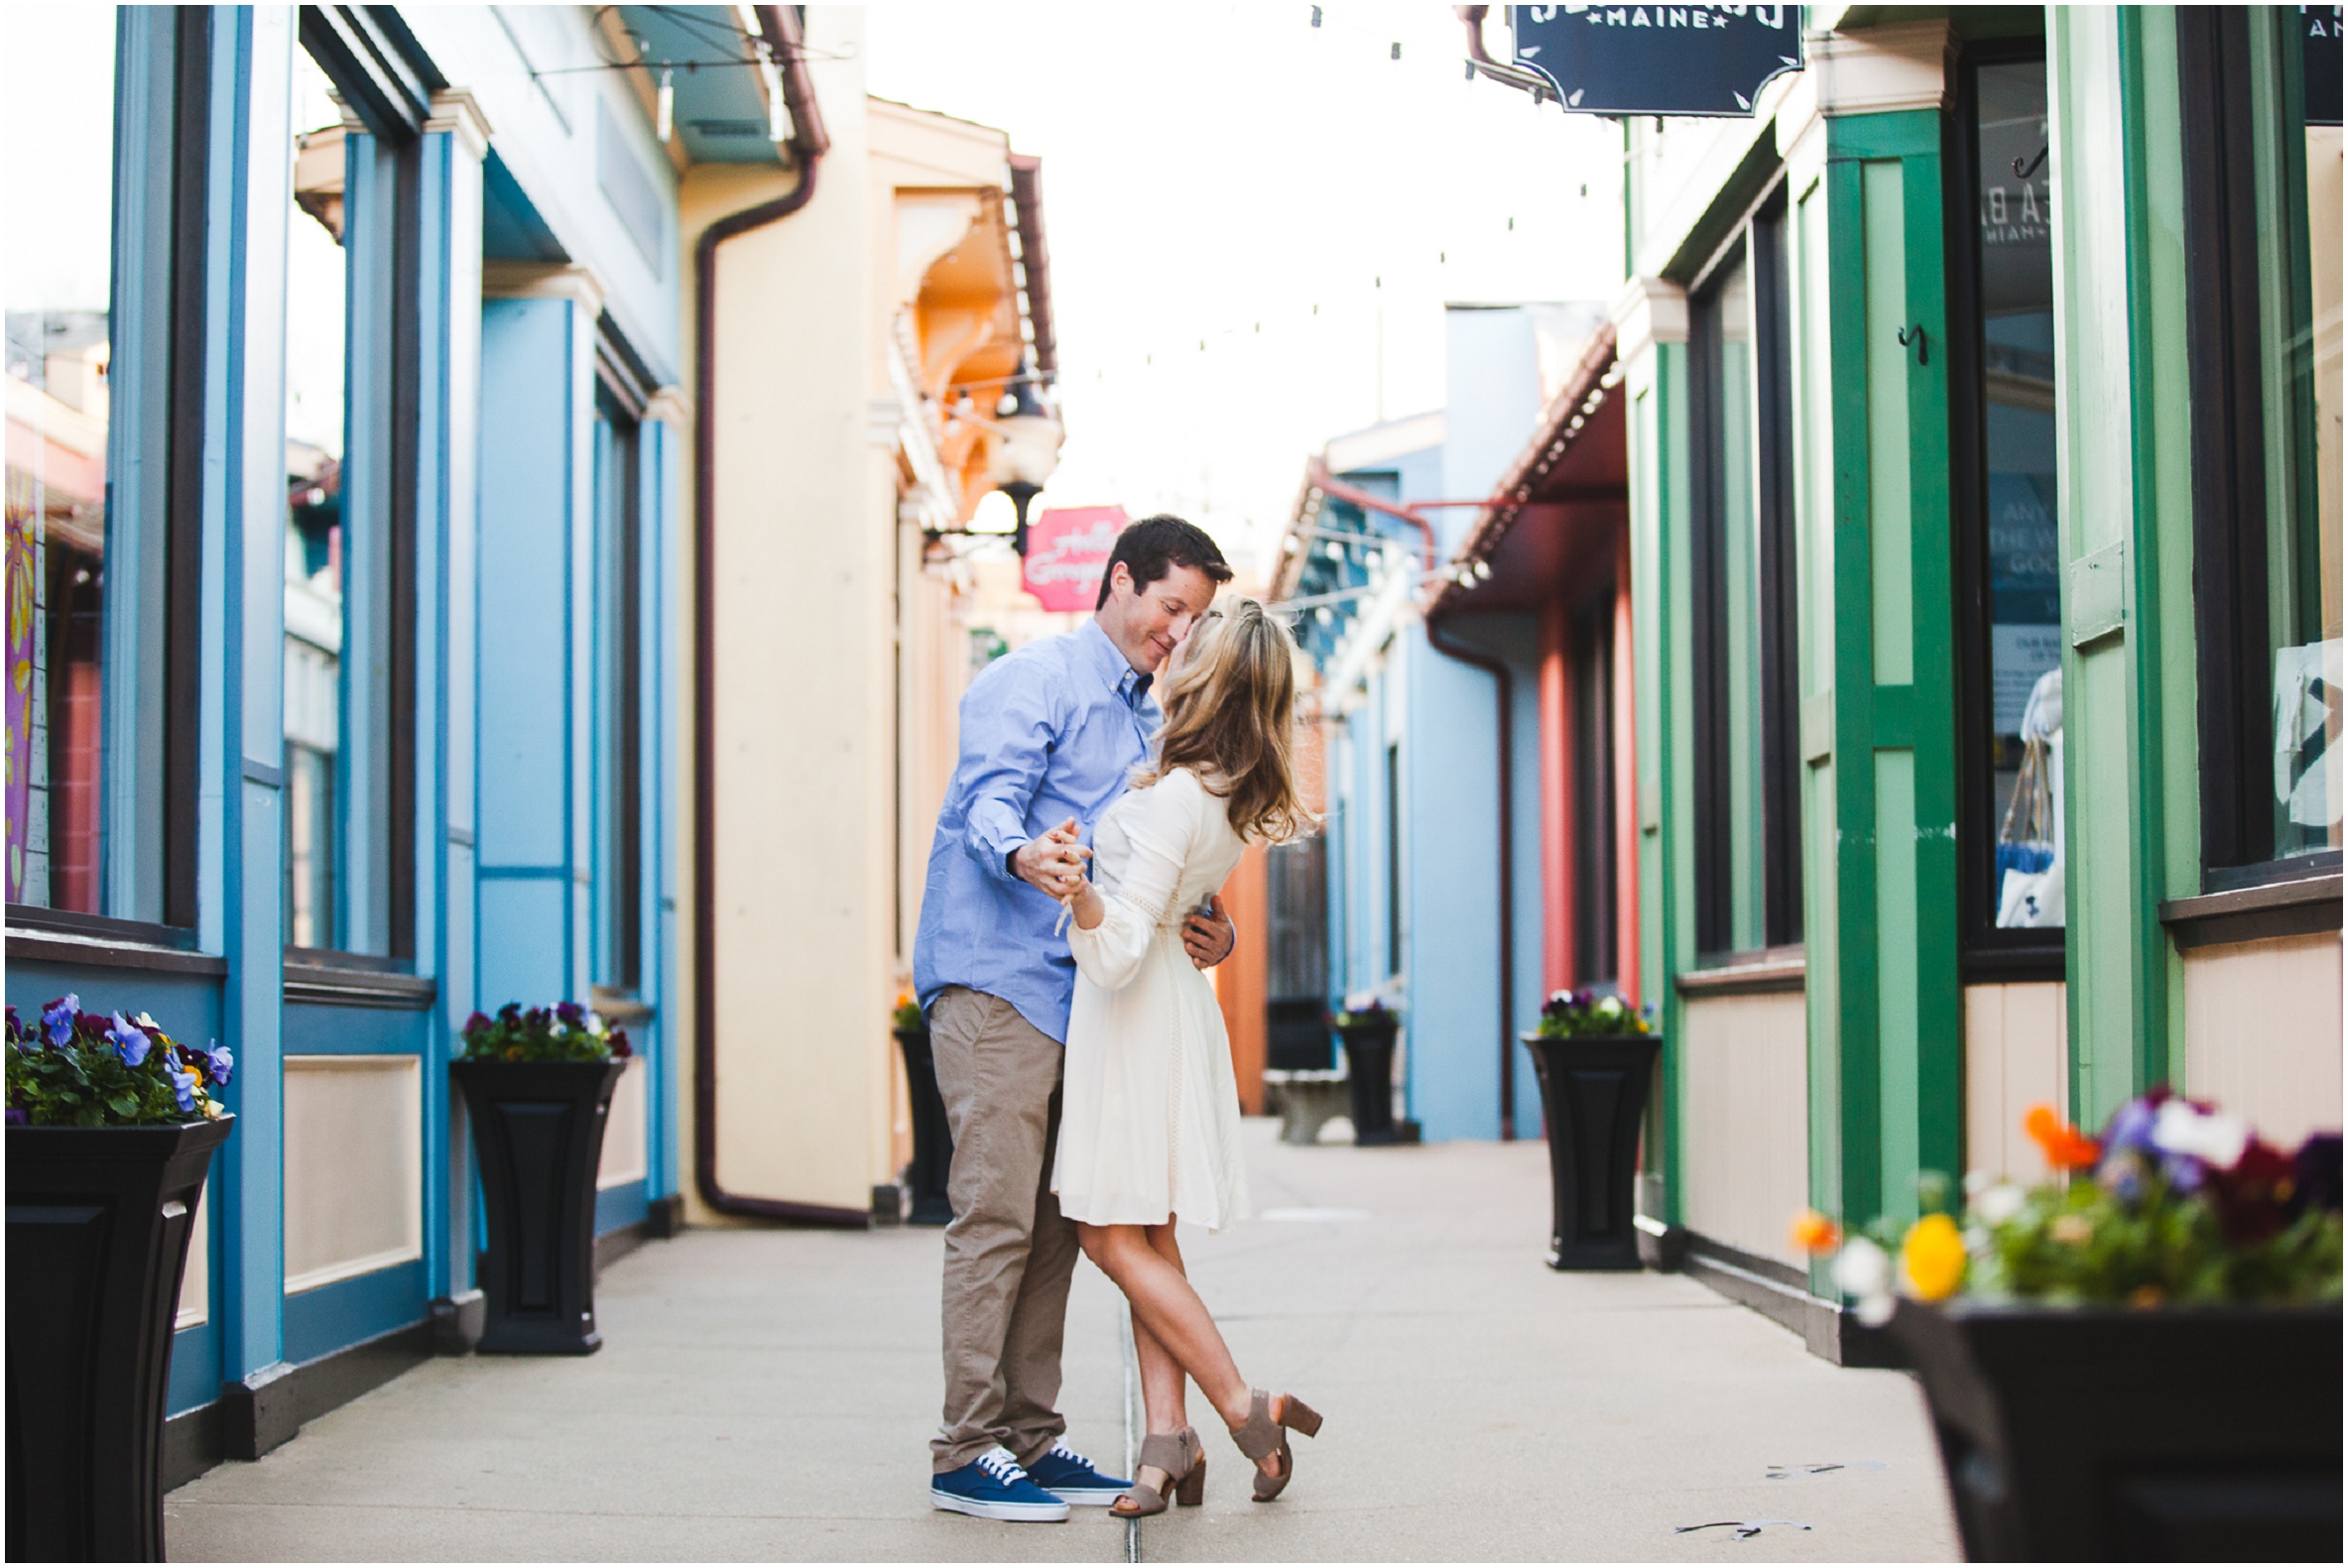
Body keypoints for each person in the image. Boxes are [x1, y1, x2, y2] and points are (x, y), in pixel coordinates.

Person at [913, 516, 1237, 1522]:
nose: (1179, 633)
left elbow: (1151, 864)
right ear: (1120, 580)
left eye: (1198, 618)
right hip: (998, 980)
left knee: (1060, 1226)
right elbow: (986, 805)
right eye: (1171, 607)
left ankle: (1030, 1438)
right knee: (998, 1214)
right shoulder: (1037, 677)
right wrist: (1023, 856)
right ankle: (965, 1449)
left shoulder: (1153, 720)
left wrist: (1210, 930)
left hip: (1086, 1002)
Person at [1055, 596, 1323, 1518]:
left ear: (1201, 682)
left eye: (1186, 646)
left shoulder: (1174, 795)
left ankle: (1244, 1405)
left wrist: (1079, 893)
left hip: (1132, 1017)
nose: (1167, 650)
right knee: (1149, 1235)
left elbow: (1119, 945)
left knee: (1104, 1234)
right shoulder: (1229, 793)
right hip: (1169, 1008)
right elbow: (1180, 908)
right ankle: (1164, 1447)